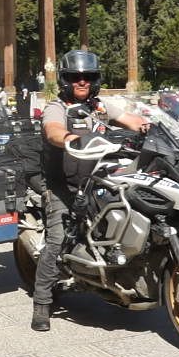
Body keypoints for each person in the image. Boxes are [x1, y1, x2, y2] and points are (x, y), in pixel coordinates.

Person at [32, 50, 147, 332]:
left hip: (97, 181)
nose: (81, 82)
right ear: (65, 80)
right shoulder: (57, 107)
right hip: (63, 185)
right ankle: (42, 302)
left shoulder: (99, 107)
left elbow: (131, 120)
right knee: (58, 239)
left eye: (87, 77)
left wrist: (153, 127)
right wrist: (71, 139)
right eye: (75, 77)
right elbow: (52, 130)